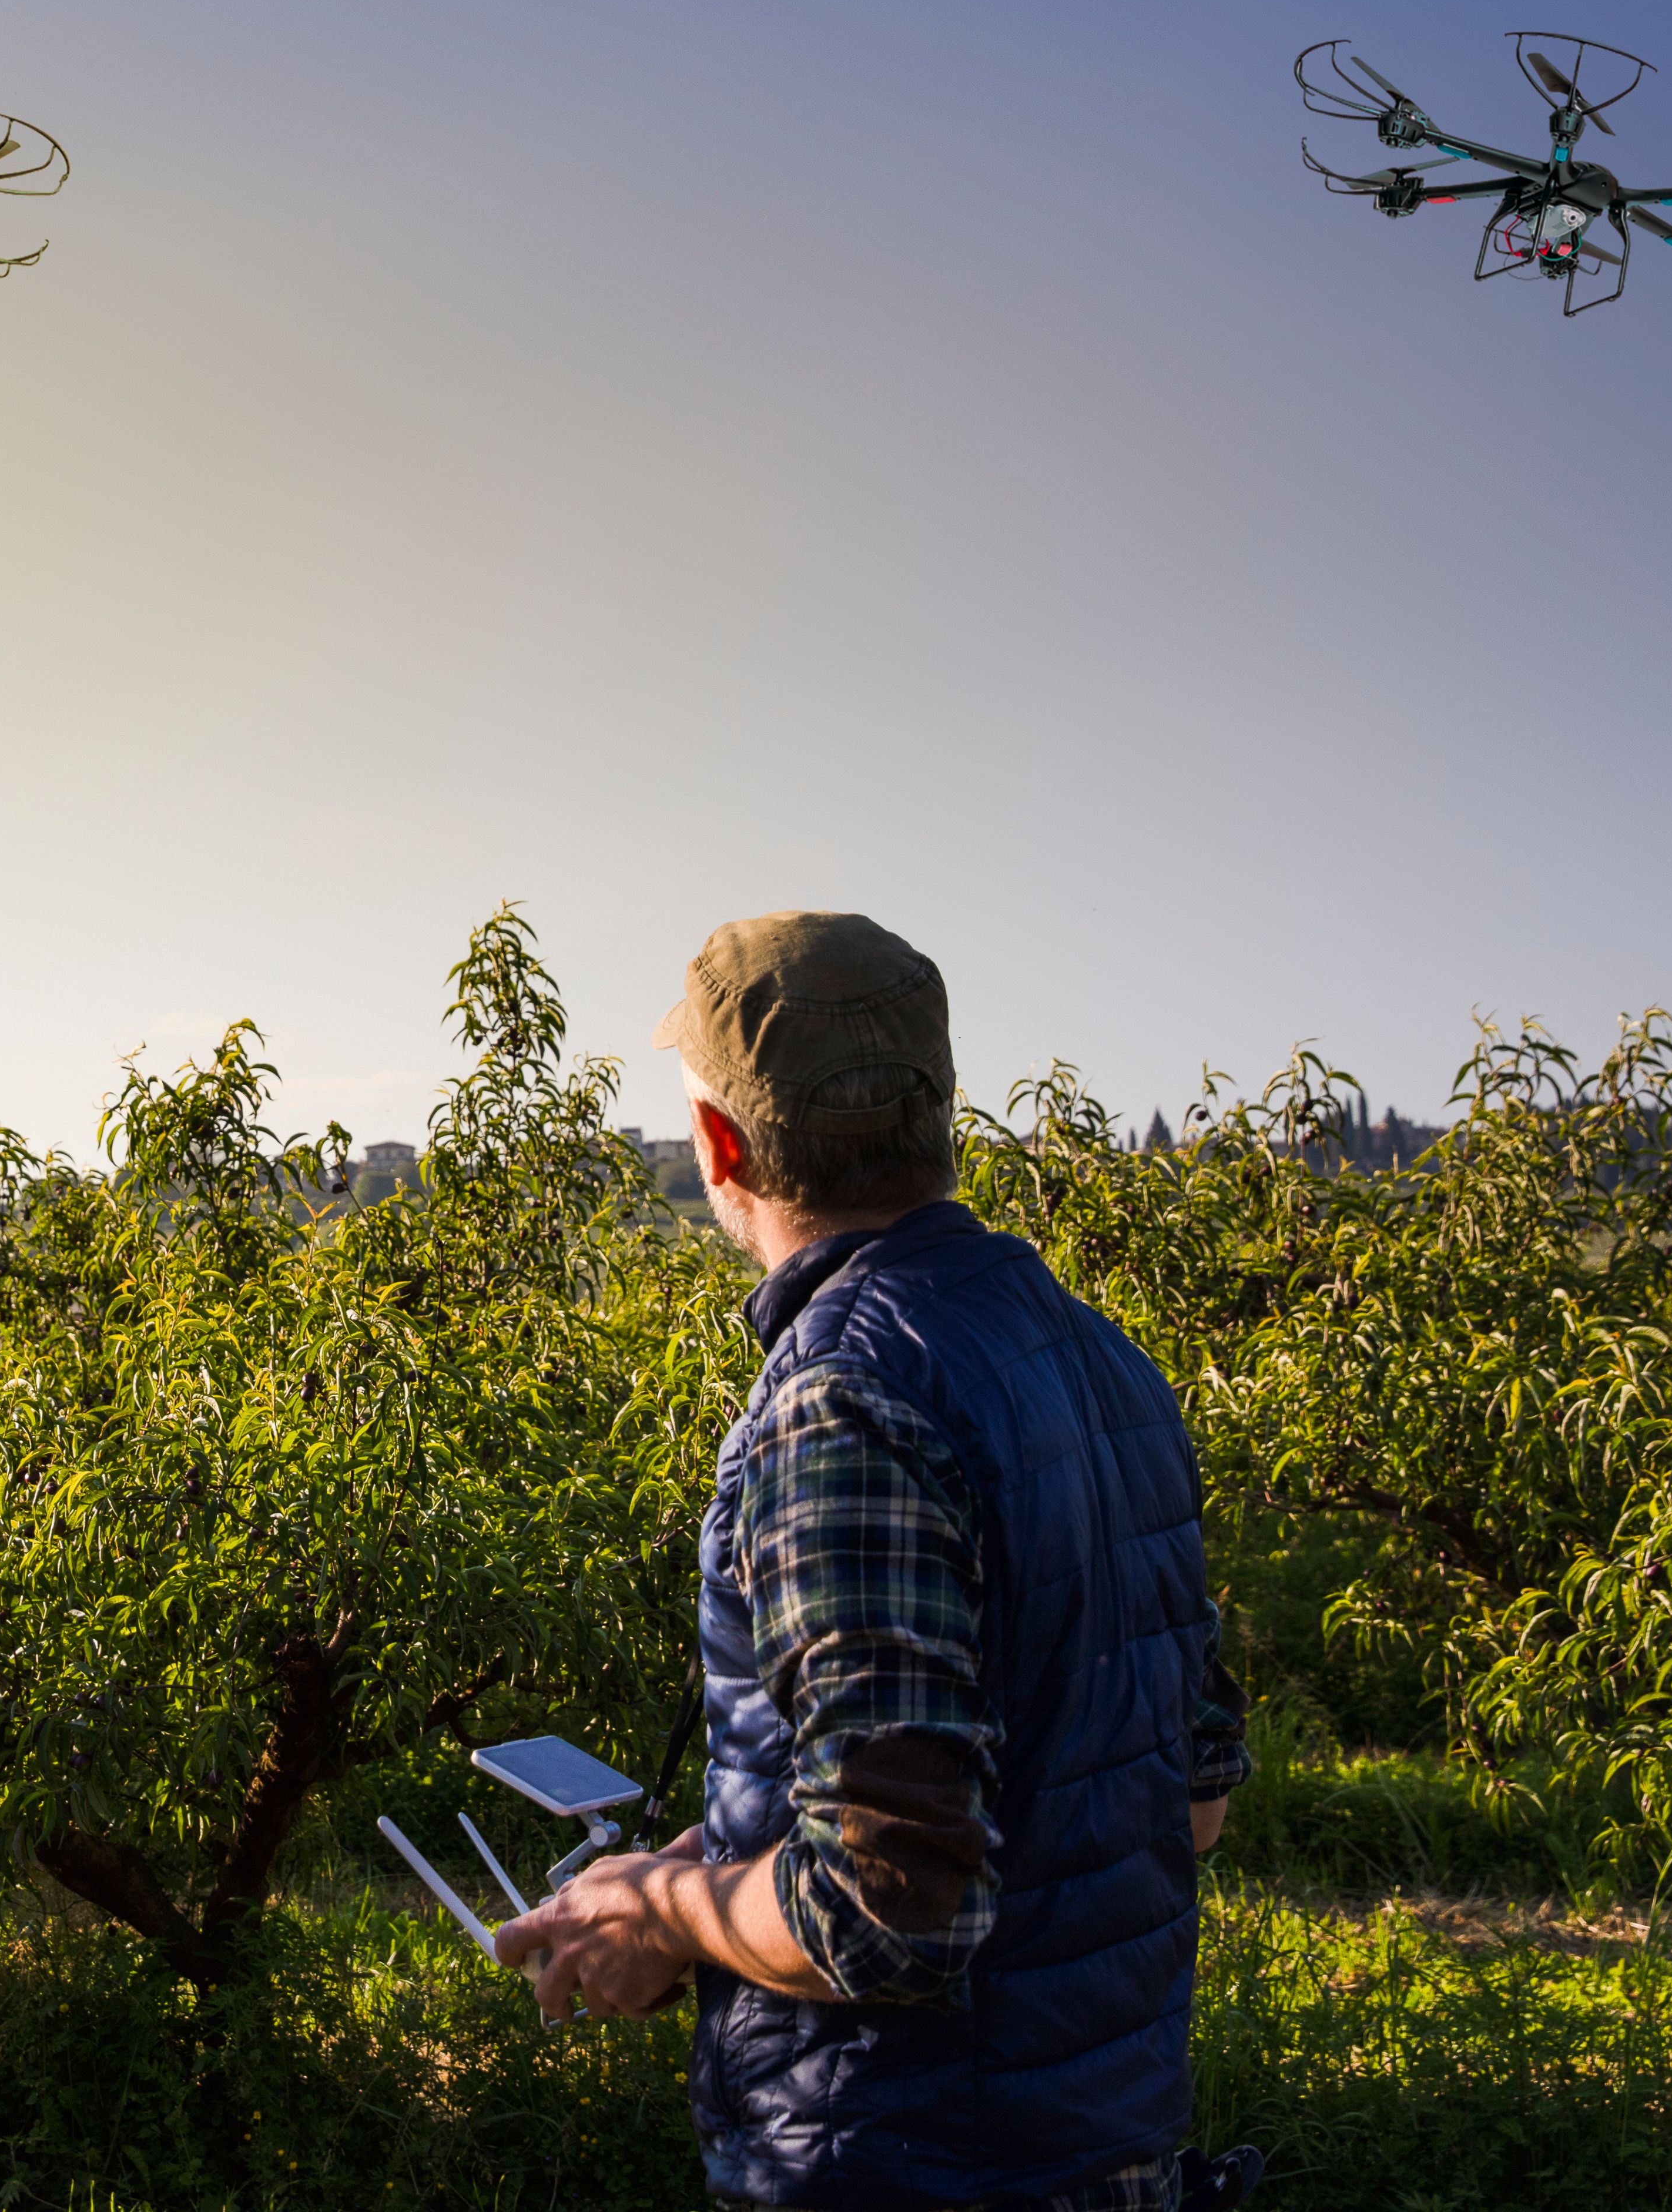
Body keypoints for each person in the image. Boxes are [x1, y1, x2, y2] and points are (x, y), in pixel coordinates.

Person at [491, 911, 1256, 2211]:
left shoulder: (842, 1398)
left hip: (901, 2167)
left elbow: (888, 1912)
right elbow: (1185, 1802)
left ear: (721, 1146)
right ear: (938, 1113)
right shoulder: (1105, 1364)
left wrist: (674, 1915)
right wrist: (706, 1861)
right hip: (1110, 2161)